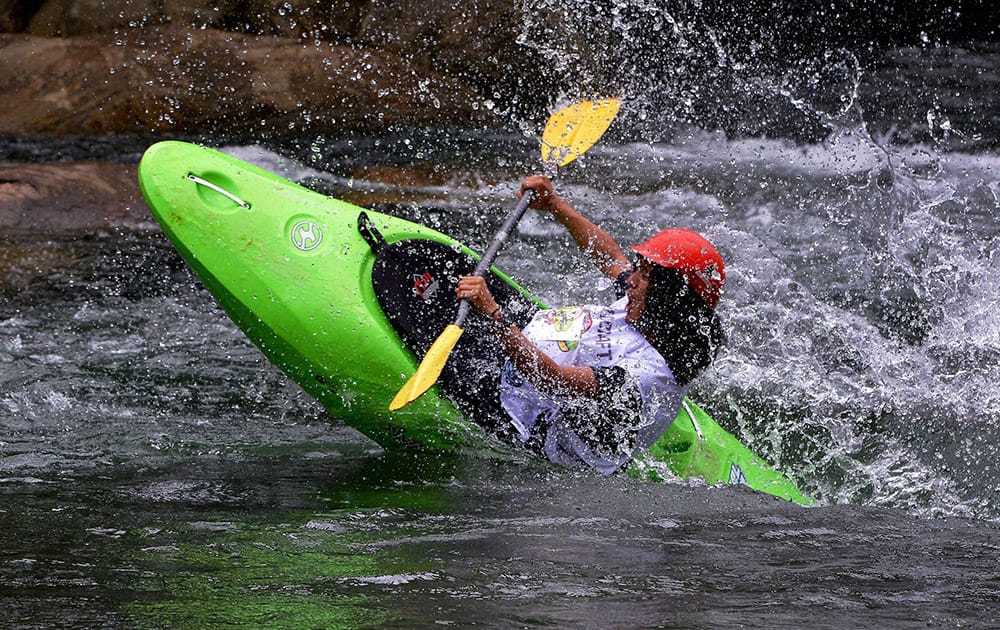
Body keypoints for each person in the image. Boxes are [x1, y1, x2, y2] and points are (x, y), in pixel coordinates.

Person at [455, 175, 725, 474]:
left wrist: (494, 314)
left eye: (644, 276)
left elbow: (552, 379)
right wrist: (555, 205)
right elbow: (610, 258)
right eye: (639, 270)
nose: (631, 280)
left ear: (668, 299)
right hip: (523, 347)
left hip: (528, 421)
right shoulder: (646, 306)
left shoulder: (646, 377)